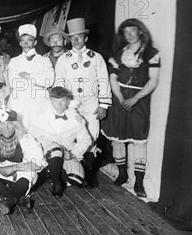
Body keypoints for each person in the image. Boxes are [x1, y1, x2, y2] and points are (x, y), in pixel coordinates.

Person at [102, 19, 160, 198]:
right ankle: (122, 174)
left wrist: (134, 99)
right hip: (119, 99)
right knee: (118, 138)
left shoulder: (151, 53)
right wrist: (120, 98)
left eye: (132, 31)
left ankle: (140, 182)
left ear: (140, 31)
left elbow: (153, 81)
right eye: (125, 32)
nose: (129, 35)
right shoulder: (119, 54)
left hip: (139, 101)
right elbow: (112, 78)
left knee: (138, 140)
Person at [54, 18, 111, 187]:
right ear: (69, 40)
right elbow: (59, 81)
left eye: (79, 36)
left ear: (85, 38)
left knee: (92, 136)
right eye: (73, 37)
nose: (76, 40)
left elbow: (103, 80)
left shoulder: (96, 57)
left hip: (91, 103)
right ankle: (72, 170)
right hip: (72, 103)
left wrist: (104, 104)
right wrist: (62, 104)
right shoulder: (64, 58)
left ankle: (90, 174)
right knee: (71, 135)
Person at [0, 109, 45, 214]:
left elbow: (38, 164)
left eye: (10, 124)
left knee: (30, 172)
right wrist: (1, 170)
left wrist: (14, 168)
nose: (6, 127)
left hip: (19, 172)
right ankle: (17, 198)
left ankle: (11, 200)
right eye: (3, 124)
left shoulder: (25, 138)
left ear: (16, 125)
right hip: (0, 173)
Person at [29, 87, 92, 197]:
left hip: (67, 156)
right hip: (46, 154)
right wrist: (41, 153)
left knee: (77, 179)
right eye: (55, 101)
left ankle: (52, 173)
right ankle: (57, 183)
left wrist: (72, 154)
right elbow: (32, 139)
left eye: (62, 101)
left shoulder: (75, 118)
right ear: (50, 101)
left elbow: (85, 140)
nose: (59, 105)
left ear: (68, 101)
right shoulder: (40, 117)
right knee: (56, 148)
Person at [5, 24, 54, 131]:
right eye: (23, 40)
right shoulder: (14, 61)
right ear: (20, 43)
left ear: (35, 42)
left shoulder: (45, 61)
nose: (26, 43)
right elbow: (14, 82)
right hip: (19, 101)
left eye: (29, 40)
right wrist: (37, 82)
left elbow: (49, 81)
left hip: (40, 101)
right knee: (19, 132)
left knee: (40, 131)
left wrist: (28, 76)